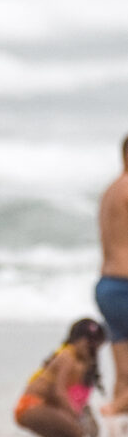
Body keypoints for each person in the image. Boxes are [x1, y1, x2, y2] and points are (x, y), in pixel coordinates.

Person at [14, 318, 107, 437]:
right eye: (91, 346)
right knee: (77, 435)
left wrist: (86, 415)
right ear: (81, 341)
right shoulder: (67, 356)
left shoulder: (77, 362)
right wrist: (78, 416)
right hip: (31, 405)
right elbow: (59, 391)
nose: (93, 352)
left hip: (36, 407)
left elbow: (74, 397)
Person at [96, 135, 128, 416]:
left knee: (124, 374)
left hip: (108, 286)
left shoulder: (111, 191)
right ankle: (112, 410)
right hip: (126, 285)